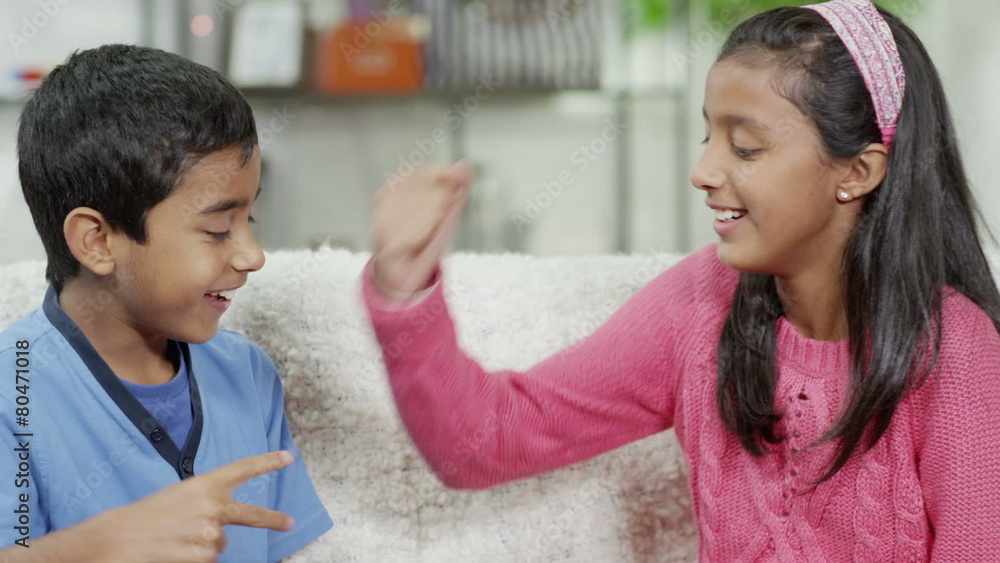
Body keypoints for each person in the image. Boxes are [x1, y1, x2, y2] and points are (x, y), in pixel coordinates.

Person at [361, 0, 1000, 560]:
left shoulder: (957, 354)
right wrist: (403, 288)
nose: (702, 171)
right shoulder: (700, 305)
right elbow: (482, 442)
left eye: (744, 147)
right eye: (707, 136)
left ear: (857, 172)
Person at [0, 45, 332, 561]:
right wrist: (93, 548)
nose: (253, 255)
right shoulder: (11, 393)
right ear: (97, 242)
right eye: (219, 229)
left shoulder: (246, 372)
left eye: (250, 221)